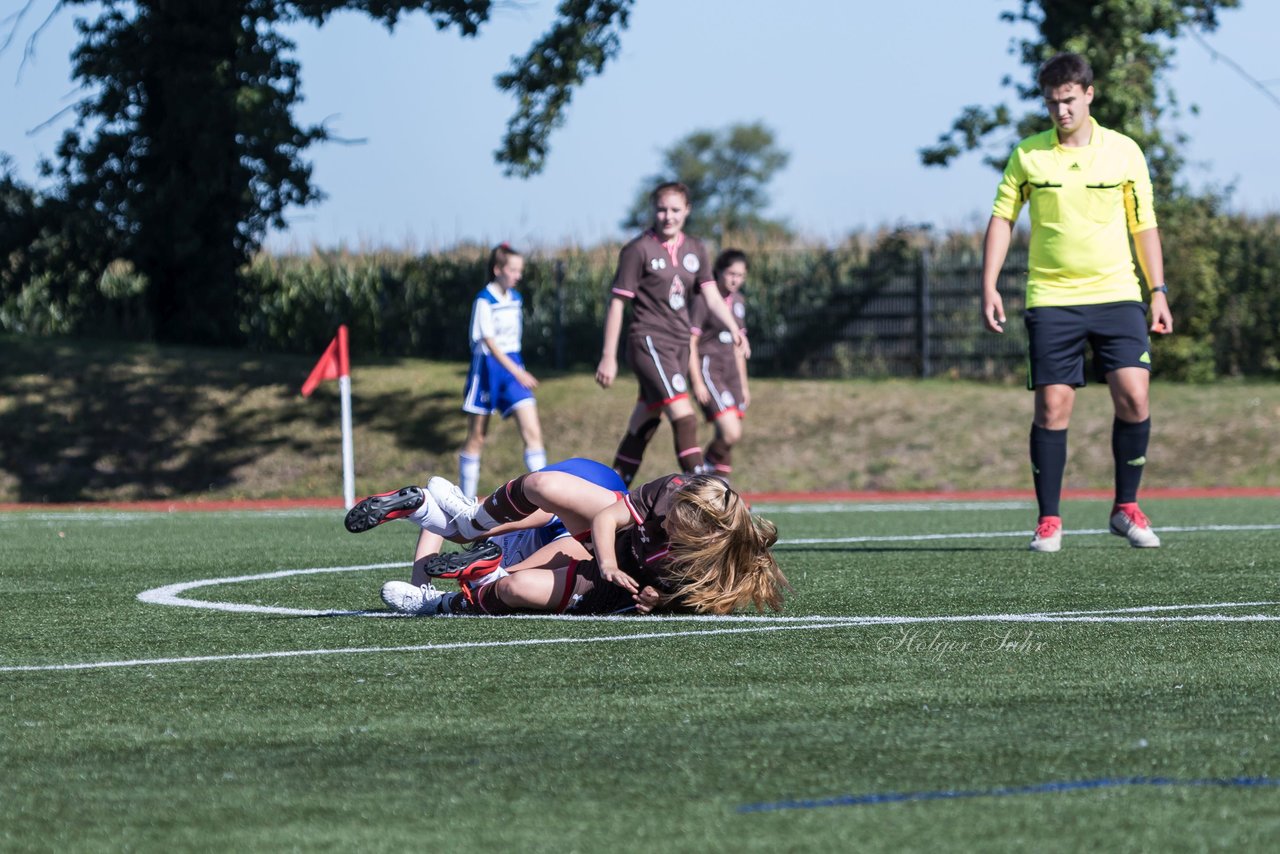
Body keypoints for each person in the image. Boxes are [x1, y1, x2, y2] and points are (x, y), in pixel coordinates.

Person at [980, 52, 1174, 553]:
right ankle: (1049, 520)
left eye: (1068, 100)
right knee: (1053, 404)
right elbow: (1002, 218)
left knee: (1134, 395)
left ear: (1089, 94)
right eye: (1051, 103)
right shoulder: (1028, 155)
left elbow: (1143, 224)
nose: (1060, 111)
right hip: (1052, 298)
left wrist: (1158, 291)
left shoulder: (1124, 152)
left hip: (1117, 294)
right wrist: (989, 284)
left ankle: (1125, 508)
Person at [595, 182, 749, 486]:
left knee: (646, 420)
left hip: (679, 346)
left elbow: (711, 295)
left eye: (675, 210)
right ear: (653, 210)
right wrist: (608, 356)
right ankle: (703, 494)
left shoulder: (695, 249)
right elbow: (617, 303)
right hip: (649, 341)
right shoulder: (638, 249)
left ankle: (610, 488)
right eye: (662, 209)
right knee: (684, 415)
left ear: (687, 211)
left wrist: (733, 328)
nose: (668, 216)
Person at [343, 458, 625, 613]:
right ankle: (490, 571)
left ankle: (426, 506)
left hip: (576, 479)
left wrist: (420, 583)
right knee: (508, 567)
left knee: (468, 523)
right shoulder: (500, 547)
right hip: (587, 494)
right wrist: (420, 586)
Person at [458, 243, 546, 498]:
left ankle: (549, 503)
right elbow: (489, 342)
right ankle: (465, 502)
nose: (518, 275)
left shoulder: (516, 298)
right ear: (498, 269)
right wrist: (518, 372)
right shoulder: (484, 301)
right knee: (477, 437)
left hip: (514, 367)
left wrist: (517, 371)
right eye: (514, 269)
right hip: (487, 369)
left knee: (532, 430)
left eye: (520, 270)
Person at [689, 249, 751, 478]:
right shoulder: (704, 299)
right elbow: (691, 341)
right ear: (719, 271)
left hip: (732, 373)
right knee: (731, 432)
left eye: (740, 275)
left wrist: (744, 386)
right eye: (731, 273)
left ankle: (720, 492)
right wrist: (697, 382)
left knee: (727, 436)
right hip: (709, 369)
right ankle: (699, 473)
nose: (735, 279)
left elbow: (739, 346)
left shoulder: (738, 302)